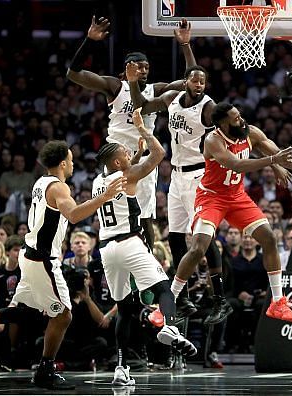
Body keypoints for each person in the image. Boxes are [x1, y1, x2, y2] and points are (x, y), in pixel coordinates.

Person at [0, 140, 126, 390]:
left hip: (30, 256)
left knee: (24, 310)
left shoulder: (41, 182)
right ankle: (46, 369)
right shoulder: (60, 188)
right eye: (71, 160)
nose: (73, 164)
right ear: (63, 163)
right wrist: (104, 197)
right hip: (43, 259)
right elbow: (74, 215)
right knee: (63, 314)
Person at [66, 15, 195, 249]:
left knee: (144, 217)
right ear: (125, 72)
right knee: (116, 211)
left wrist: (185, 45)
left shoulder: (157, 90)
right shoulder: (115, 86)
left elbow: (193, 81)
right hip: (115, 156)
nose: (143, 70)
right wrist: (89, 40)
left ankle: (147, 260)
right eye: (137, 67)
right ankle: (113, 253)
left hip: (144, 158)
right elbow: (73, 74)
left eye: (146, 67)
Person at [170, 102, 292, 324]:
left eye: (240, 115)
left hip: (237, 196)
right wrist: (273, 162)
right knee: (198, 247)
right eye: (235, 118)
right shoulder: (213, 140)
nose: (241, 120)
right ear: (222, 123)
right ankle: (170, 300)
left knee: (269, 238)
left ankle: (278, 303)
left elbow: (270, 147)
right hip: (211, 197)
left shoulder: (249, 131)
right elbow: (235, 165)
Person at [92, 109, 197, 386]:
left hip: (106, 249)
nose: (129, 155)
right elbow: (160, 153)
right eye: (125, 154)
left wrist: (134, 157)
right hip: (129, 243)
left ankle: (121, 368)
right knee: (164, 288)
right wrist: (142, 129)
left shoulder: (98, 181)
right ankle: (170, 328)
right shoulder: (127, 177)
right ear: (117, 161)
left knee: (124, 308)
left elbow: (126, 172)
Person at [127, 62, 228, 324]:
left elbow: (232, 125)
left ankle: (220, 299)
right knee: (173, 236)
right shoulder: (171, 98)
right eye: (195, 80)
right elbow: (142, 105)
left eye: (202, 82)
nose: (199, 85)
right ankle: (182, 299)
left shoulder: (207, 107)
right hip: (176, 174)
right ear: (185, 82)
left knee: (203, 239)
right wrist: (133, 82)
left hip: (199, 176)